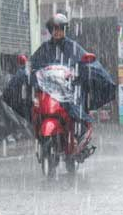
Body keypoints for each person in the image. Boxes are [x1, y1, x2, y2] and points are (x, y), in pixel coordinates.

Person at [28, 12, 93, 142]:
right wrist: (28, 69)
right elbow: (33, 63)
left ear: (64, 30)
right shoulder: (45, 48)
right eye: (54, 29)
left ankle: (80, 130)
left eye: (60, 29)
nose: (57, 32)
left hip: (67, 87)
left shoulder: (72, 47)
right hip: (48, 88)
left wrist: (77, 71)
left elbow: (82, 62)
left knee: (77, 105)